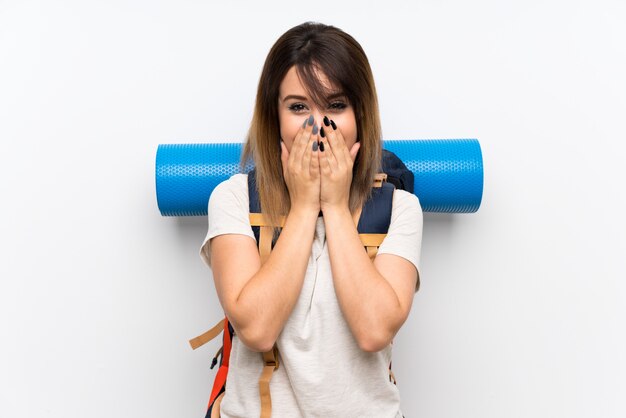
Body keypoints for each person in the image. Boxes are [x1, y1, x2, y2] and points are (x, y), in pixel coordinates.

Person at [199, 21, 422, 418]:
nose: (318, 127)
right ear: (275, 118)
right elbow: (257, 329)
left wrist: (334, 207)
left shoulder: (400, 209)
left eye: (336, 106)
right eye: (299, 107)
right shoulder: (232, 199)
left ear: (361, 116)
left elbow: (374, 330)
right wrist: (304, 208)